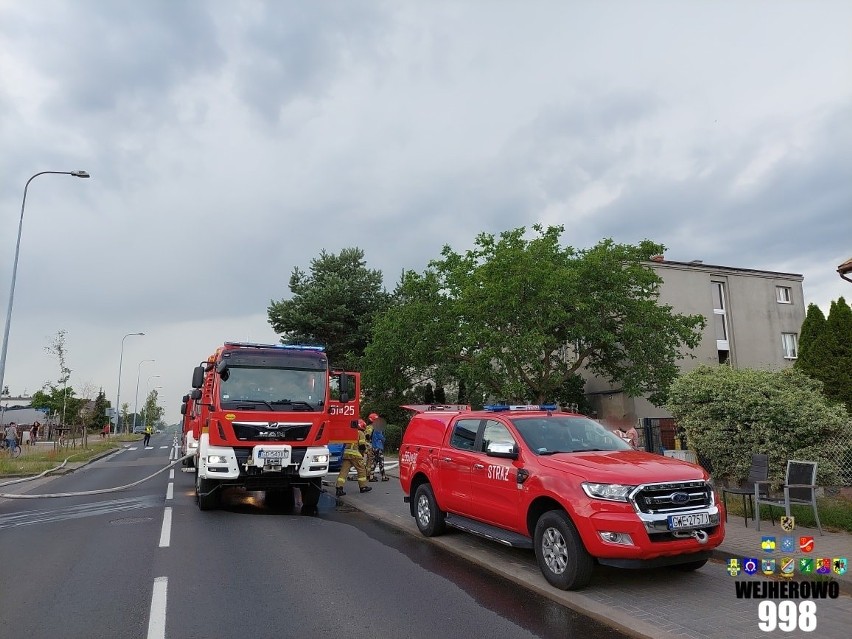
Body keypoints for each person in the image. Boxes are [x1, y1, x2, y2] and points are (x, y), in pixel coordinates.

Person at [335, 419, 372, 497]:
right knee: (361, 470)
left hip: (347, 454)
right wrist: (364, 452)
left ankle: (339, 488)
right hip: (355, 455)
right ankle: (363, 487)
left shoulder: (350, 432)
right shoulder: (361, 433)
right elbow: (361, 446)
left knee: (343, 472)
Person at [368, 413, 389, 482]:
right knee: (381, 461)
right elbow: (381, 437)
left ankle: (371, 476)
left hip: (374, 447)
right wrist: (384, 439)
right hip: (378, 447)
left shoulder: (373, 428)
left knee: (375, 461)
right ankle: (383, 476)